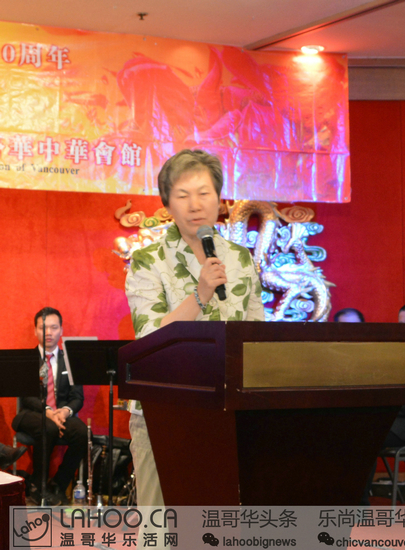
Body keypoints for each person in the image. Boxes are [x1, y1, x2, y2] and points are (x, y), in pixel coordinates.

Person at [125, 149, 265, 506]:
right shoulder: (147, 261)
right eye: (183, 195)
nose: (195, 204)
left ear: (219, 199)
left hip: (229, 412)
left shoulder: (240, 258)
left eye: (204, 193)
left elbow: (257, 334)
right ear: (167, 204)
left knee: (220, 521)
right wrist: (200, 295)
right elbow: (149, 340)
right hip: (163, 411)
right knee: (159, 524)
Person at [12, 307, 86, 505]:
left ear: (61, 330)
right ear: (35, 330)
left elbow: (77, 397)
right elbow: (27, 397)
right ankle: (38, 486)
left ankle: (58, 485)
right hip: (32, 413)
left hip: (61, 414)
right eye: (43, 328)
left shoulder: (69, 360)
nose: (48, 332)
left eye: (54, 327)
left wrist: (65, 411)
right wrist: (48, 412)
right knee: (48, 426)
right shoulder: (27, 359)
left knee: (82, 432)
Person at [361, 301, 405, 505]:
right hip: (401, 417)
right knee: (354, 429)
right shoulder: (402, 351)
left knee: (366, 434)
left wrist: (384, 408)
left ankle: (358, 505)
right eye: (402, 325)